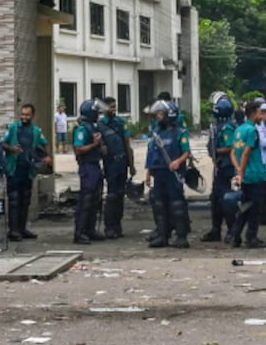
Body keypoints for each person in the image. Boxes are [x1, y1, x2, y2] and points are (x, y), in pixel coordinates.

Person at [144, 100, 191, 249]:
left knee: (176, 204)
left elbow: (186, 152)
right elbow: (151, 153)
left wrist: (178, 162)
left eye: (160, 114)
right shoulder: (156, 132)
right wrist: (148, 173)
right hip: (159, 172)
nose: (158, 116)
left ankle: (181, 236)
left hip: (173, 174)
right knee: (159, 204)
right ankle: (163, 236)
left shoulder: (180, 132)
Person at [2, 102, 50, 240]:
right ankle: (13, 231)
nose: (24, 117)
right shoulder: (12, 128)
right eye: (22, 114)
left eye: (27, 115)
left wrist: (46, 156)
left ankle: (22, 229)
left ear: (32, 115)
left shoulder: (36, 131)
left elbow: (44, 143)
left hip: (28, 170)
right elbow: (3, 143)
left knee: (25, 200)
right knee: (14, 200)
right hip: (14, 170)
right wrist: (12, 149)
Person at [227, 100, 266, 250]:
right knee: (254, 209)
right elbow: (246, 152)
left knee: (244, 207)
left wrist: (238, 169)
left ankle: (235, 235)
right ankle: (251, 237)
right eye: (260, 113)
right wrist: (242, 170)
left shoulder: (238, 130)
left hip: (244, 175)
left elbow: (233, 153)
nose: (263, 116)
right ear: (253, 114)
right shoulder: (252, 131)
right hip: (253, 175)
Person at [202, 92, 238, 243]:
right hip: (219, 167)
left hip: (227, 168)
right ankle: (215, 230)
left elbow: (231, 147)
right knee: (215, 199)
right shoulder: (218, 127)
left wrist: (216, 151)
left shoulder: (227, 128)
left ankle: (231, 231)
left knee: (227, 200)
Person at [98, 96, 135, 239]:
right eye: (111, 107)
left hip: (122, 163)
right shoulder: (100, 125)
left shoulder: (121, 123)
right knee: (112, 196)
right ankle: (109, 227)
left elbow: (127, 144)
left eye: (115, 106)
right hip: (110, 164)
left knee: (120, 196)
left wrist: (131, 165)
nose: (113, 110)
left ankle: (118, 226)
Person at [71, 99, 105, 244]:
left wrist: (101, 147)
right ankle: (80, 232)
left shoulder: (92, 127)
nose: (98, 114)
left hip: (95, 165)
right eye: (96, 112)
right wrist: (95, 144)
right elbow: (78, 149)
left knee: (95, 200)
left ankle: (90, 230)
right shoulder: (82, 129)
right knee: (86, 200)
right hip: (87, 166)